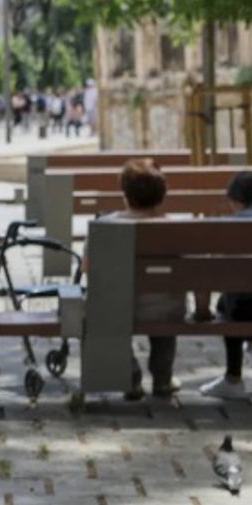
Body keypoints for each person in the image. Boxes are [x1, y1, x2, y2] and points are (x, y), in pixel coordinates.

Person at [81, 159, 180, 400]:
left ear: (125, 193)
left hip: (116, 310)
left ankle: (130, 377)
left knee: (101, 308)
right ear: (162, 195)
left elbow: (87, 269)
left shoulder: (105, 225)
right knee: (165, 303)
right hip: (166, 310)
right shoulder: (176, 228)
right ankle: (162, 378)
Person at [199, 171, 252, 399]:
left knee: (230, 299)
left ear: (234, 200)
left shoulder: (223, 226)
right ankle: (251, 347)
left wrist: (201, 310)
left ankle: (233, 378)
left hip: (245, 310)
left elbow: (208, 271)